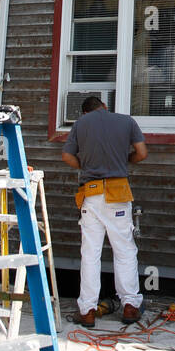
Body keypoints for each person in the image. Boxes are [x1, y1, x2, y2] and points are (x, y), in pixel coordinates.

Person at [61, 96, 148, 328]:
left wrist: (86, 165)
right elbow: (141, 153)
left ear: (85, 113)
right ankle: (130, 305)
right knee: (125, 251)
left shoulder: (81, 125)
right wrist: (123, 159)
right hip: (118, 193)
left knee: (90, 254)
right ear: (105, 107)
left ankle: (87, 310)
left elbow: (67, 156)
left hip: (91, 194)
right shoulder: (126, 121)